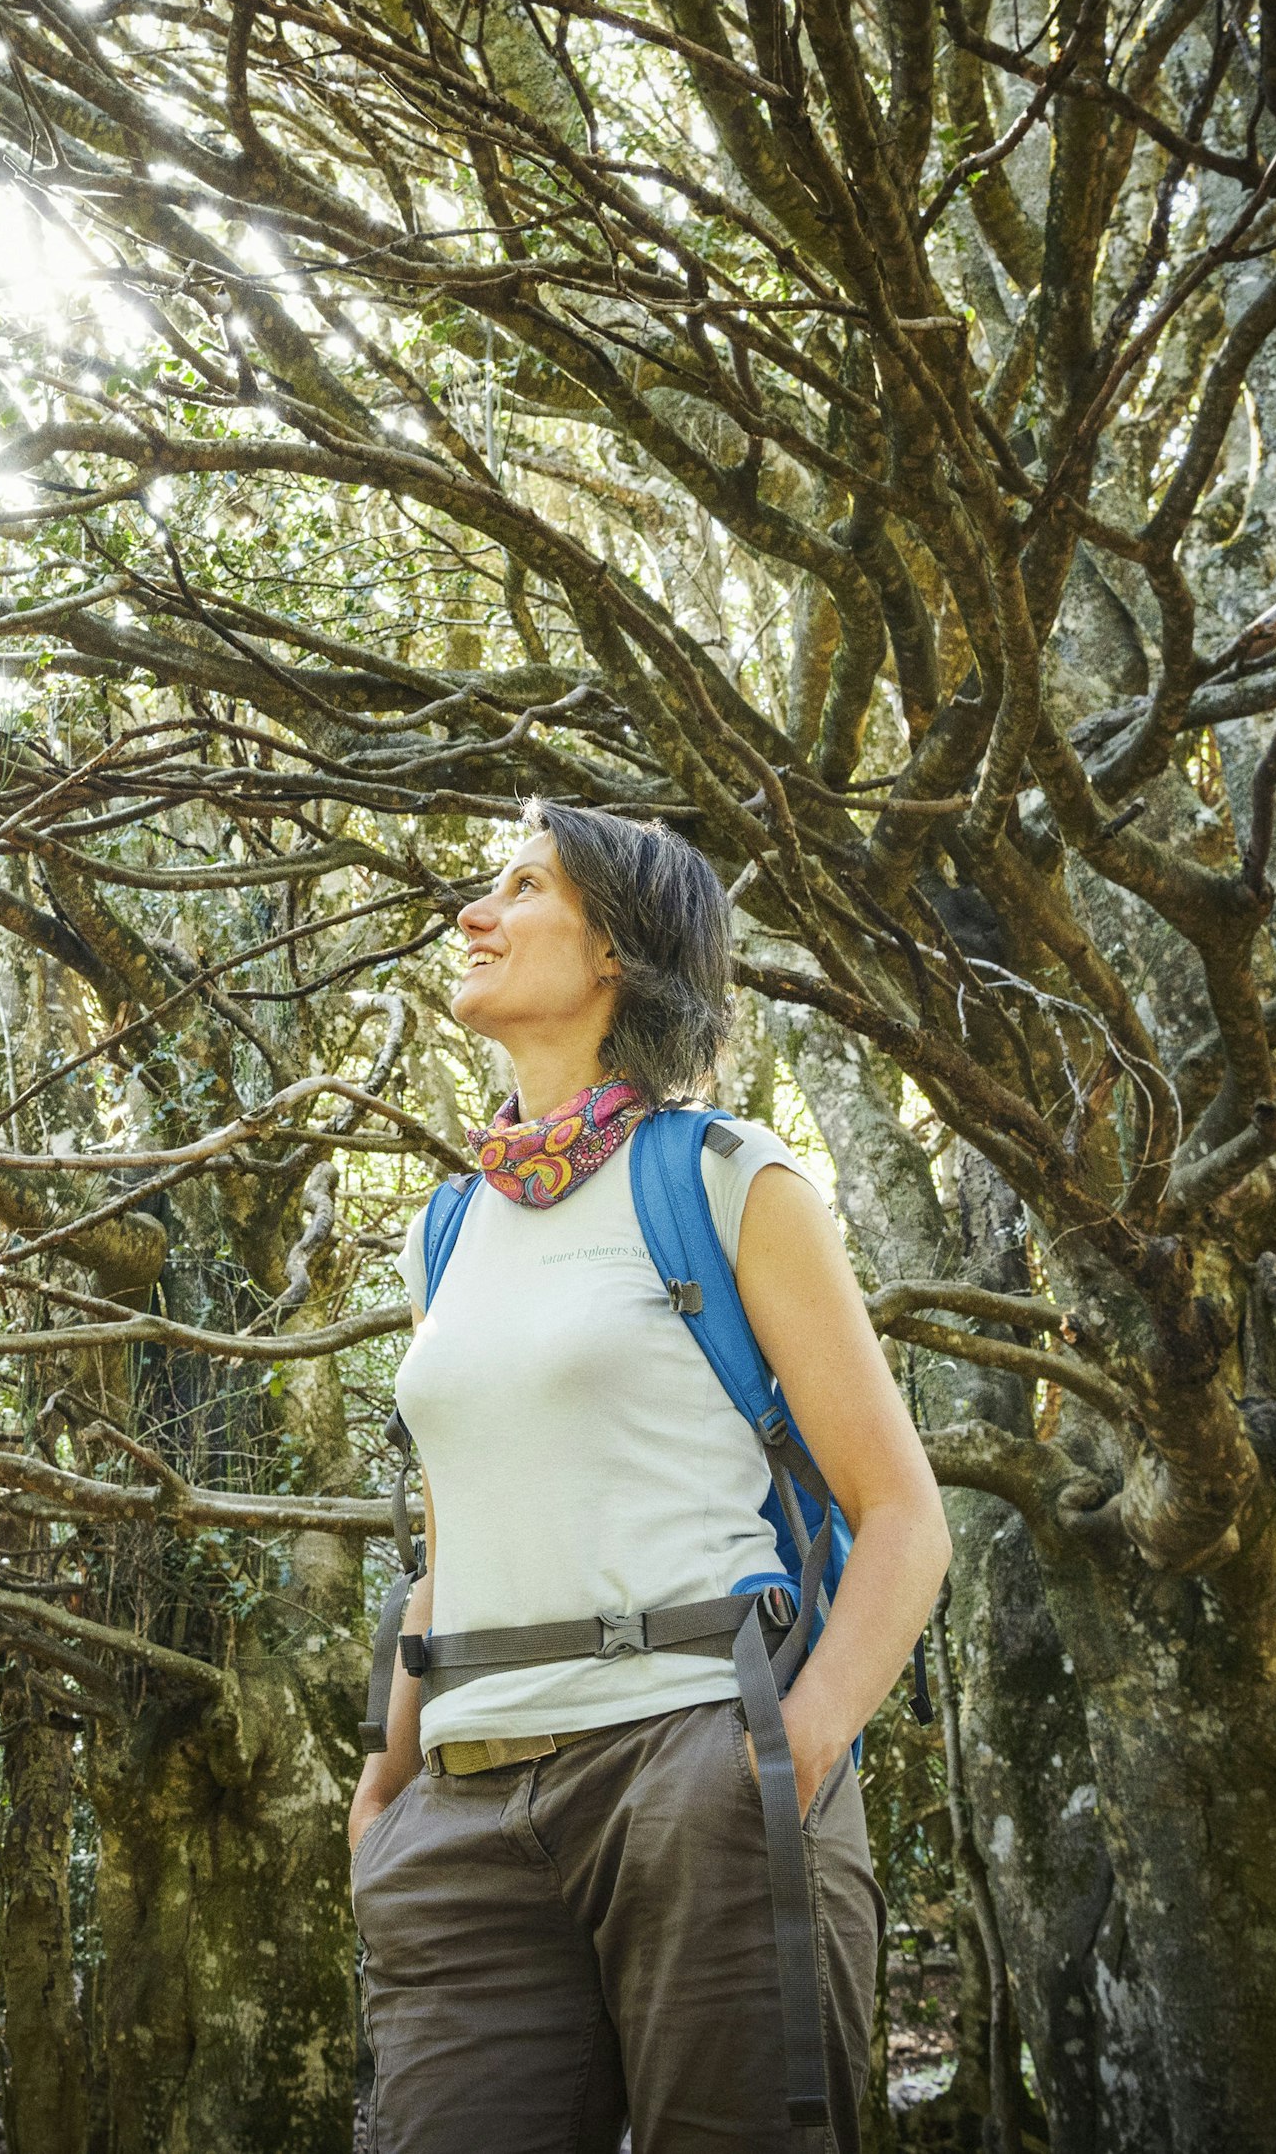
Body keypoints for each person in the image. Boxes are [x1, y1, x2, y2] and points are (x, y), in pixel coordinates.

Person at [349, 803, 951, 2154]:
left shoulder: (728, 1177)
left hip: (696, 1763)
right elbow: (457, 1547)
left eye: (519, 887)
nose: (472, 915)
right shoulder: (444, 1237)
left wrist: (787, 1763)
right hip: (463, 1808)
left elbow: (905, 1516)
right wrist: (385, 1787)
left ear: (619, 944)